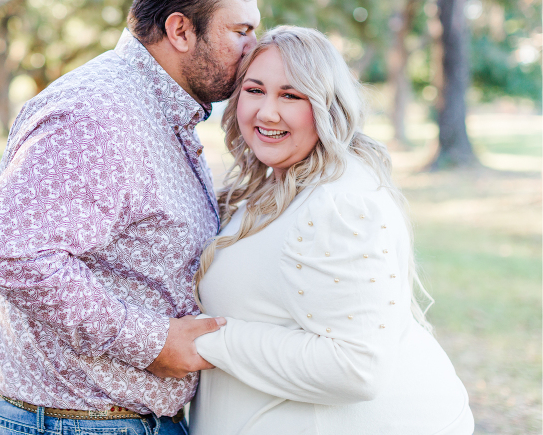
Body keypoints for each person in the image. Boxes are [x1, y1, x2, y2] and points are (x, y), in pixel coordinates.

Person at [0, 0, 261, 435]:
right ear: (180, 30)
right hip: (83, 424)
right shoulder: (100, 115)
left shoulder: (155, 109)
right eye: (240, 32)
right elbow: (9, 250)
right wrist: (151, 342)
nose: (253, 49)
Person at [189, 26, 474, 435]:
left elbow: (356, 368)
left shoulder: (337, 203)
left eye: (291, 95)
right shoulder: (281, 182)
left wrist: (203, 341)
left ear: (327, 104)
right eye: (254, 90)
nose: (267, 112)